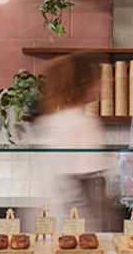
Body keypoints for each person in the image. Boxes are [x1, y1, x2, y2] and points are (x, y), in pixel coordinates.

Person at [28, 52, 115, 231]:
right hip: (78, 227)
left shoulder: (48, 121)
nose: (102, 84)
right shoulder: (84, 123)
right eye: (97, 79)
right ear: (85, 84)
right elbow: (91, 186)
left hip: (47, 222)